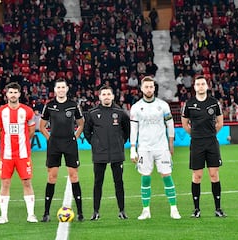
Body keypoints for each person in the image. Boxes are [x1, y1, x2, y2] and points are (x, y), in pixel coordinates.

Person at [130, 76, 181, 220]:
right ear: (141, 88)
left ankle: (174, 208)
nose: (149, 89)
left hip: (161, 147)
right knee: (145, 177)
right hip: (144, 148)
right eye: (146, 87)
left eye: (151, 86)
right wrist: (133, 148)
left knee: (166, 175)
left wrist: (171, 144)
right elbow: (134, 129)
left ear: (154, 88)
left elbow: (170, 125)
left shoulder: (163, 105)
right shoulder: (136, 108)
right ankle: (146, 210)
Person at [181, 75, 226, 218]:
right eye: (198, 84)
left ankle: (218, 209)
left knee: (214, 175)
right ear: (194, 87)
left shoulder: (214, 103)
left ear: (207, 86)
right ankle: (196, 209)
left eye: (203, 84)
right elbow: (185, 124)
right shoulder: (189, 103)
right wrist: (195, 135)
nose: (201, 86)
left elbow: (220, 123)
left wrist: (210, 134)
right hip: (196, 143)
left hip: (211, 142)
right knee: (197, 176)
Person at [39, 78, 85, 222]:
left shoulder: (73, 105)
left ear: (66, 89)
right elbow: (42, 126)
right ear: (55, 90)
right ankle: (46, 213)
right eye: (58, 87)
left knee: (74, 176)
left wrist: (75, 137)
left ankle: (80, 213)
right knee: (52, 176)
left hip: (69, 144)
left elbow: (81, 124)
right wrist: (50, 139)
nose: (60, 89)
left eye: (62, 87)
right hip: (55, 144)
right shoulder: (49, 105)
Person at [0, 82, 38, 224]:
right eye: (10, 92)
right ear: (6, 94)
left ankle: (31, 215)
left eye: (15, 92)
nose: (13, 95)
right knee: (5, 184)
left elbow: (31, 131)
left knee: (27, 182)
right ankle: (3, 216)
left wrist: (22, 141)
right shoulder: (0, 112)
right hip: (6, 155)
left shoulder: (27, 111)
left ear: (19, 94)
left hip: (23, 155)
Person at [83, 85, 130, 220]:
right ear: (99, 97)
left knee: (119, 182)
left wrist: (120, 142)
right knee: (98, 182)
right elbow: (87, 132)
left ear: (113, 96)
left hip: (116, 153)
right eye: (104, 94)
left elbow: (127, 130)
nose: (106, 97)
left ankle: (122, 211)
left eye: (109, 94)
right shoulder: (92, 113)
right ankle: (96, 212)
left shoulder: (120, 112)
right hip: (100, 154)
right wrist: (95, 144)